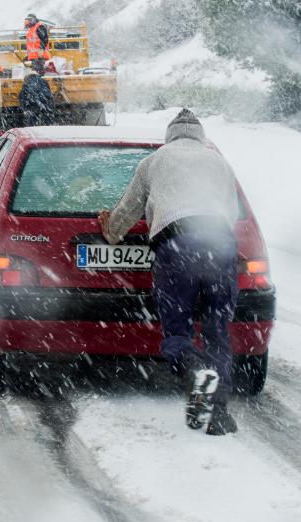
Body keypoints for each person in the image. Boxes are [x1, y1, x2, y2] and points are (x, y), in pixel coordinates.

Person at [98, 109, 241, 436]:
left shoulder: (155, 161)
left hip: (178, 246)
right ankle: (218, 414)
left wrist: (113, 232)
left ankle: (193, 369)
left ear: (170, 136)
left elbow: (129, 208)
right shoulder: (219, 162)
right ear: (200, 137)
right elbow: (231, 211)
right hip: (220, 245)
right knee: (218, 331)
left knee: (177, 328)